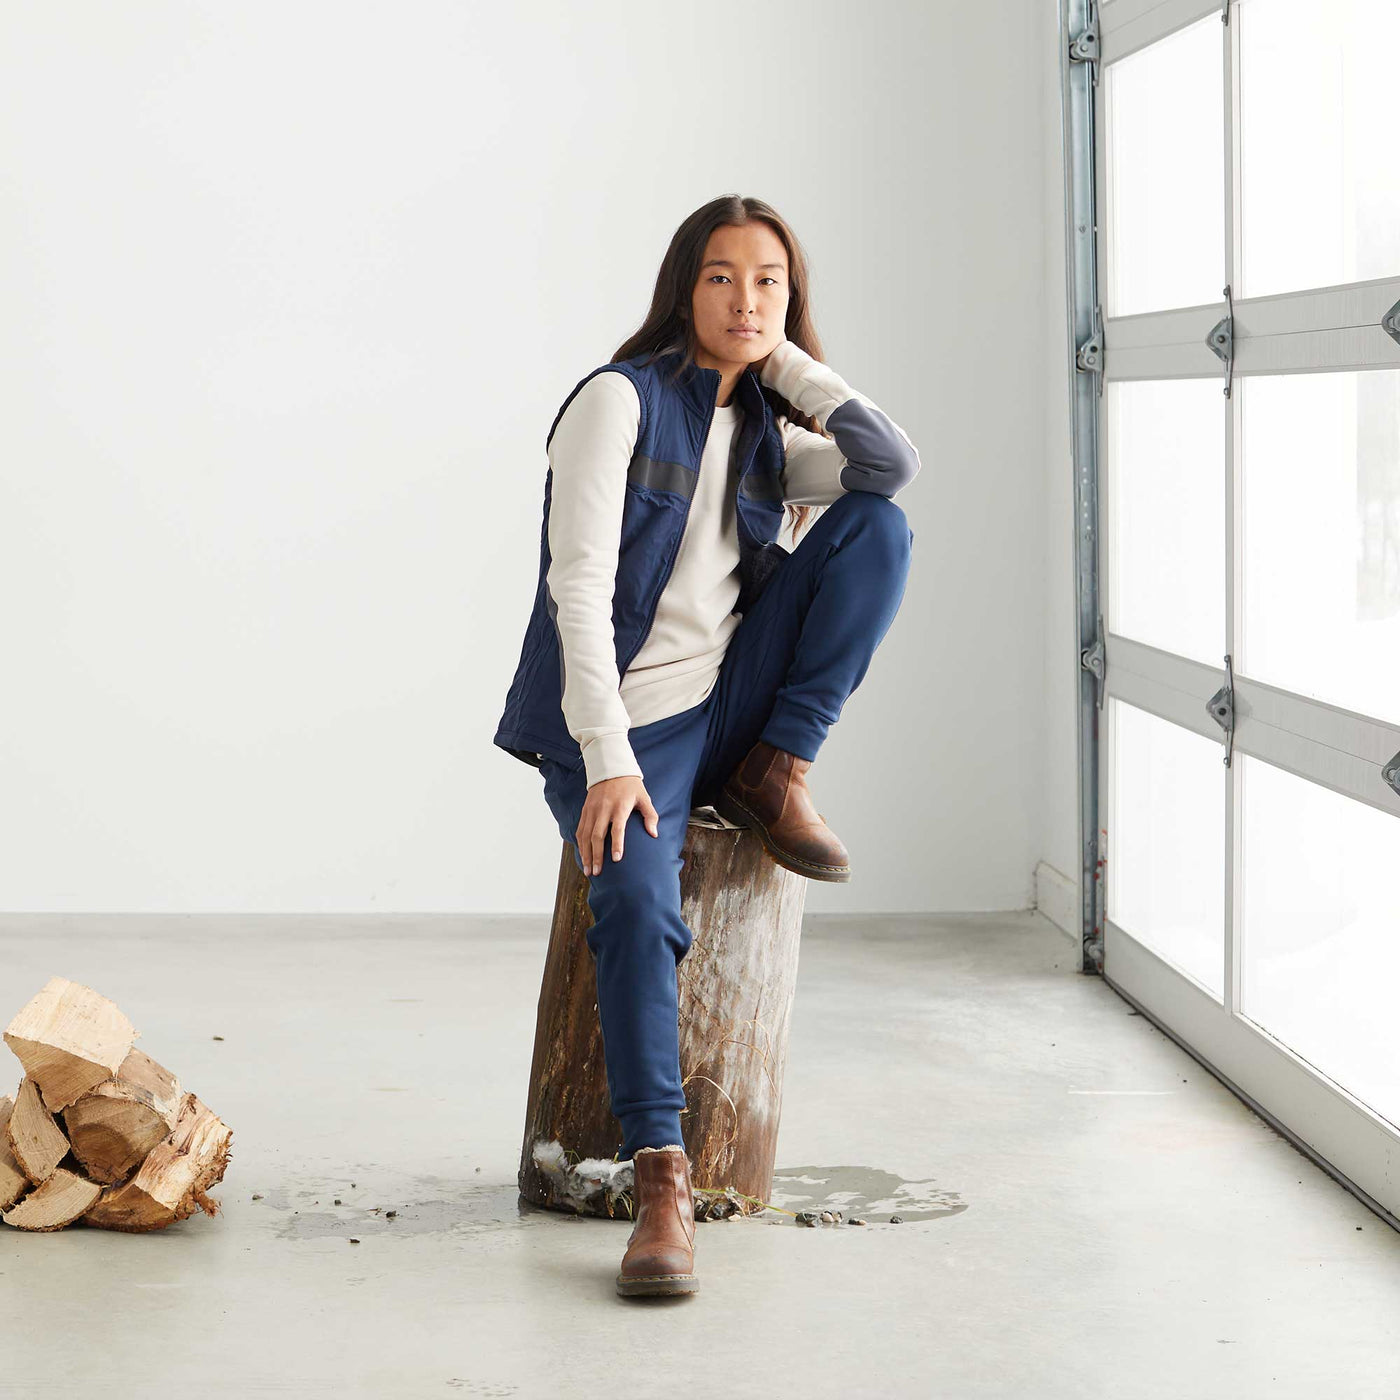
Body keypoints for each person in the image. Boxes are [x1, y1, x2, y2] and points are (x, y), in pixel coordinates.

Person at [493, 194, 919, 1298]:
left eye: (769, 280)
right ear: (684, 289)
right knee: (635, 904)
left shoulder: (770, 431)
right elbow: (578, 587)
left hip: (722, 706)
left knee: (877, 530)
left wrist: (790, 370)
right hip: (618, 725)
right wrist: (607, 755)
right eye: (722, 276)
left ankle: (779, 766)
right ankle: (662, 1178)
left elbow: (886, 467)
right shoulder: (616, 401)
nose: (745, 299)